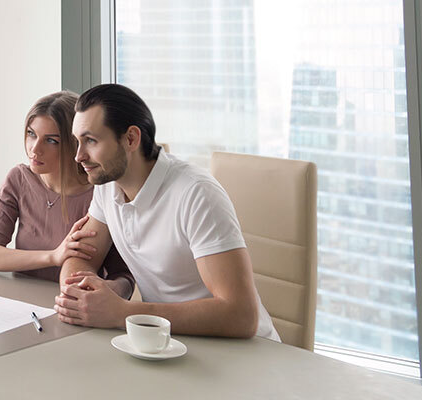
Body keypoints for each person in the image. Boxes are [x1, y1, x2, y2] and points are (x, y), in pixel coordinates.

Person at [52, 83, 279, 340]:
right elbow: (82, 256)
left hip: (243, 353)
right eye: (77, 142)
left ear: (131, 139)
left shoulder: (195, 193)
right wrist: (77, 296)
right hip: (165, 341)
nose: (79, 156)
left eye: (90, 141)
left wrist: (123, 313)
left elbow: (241, 316)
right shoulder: (107, 185)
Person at [0, 91, 133, 298]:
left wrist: (114, 292)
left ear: (76, 144)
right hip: (21, 303)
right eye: (31, 134)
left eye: (51, 141)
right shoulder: (19, 179)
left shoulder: (101, 193)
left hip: (76, 307)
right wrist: (53, 256)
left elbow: (123, 276)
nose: (35, 149)